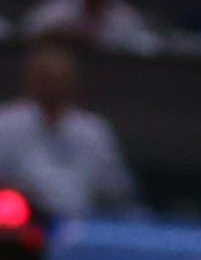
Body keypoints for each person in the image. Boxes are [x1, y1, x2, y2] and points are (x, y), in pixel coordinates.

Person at [0, 42, 138, 219]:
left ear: (71, 82)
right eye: (45, 78)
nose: (51, 86)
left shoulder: (94, 130)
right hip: (22, 223)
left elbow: (116, 190)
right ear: (30, 80)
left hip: (85, 222)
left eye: (58, 79)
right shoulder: (6, 123)